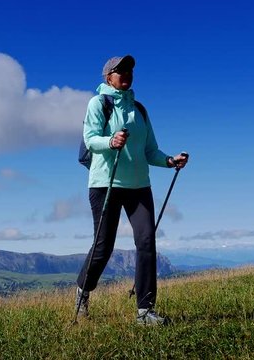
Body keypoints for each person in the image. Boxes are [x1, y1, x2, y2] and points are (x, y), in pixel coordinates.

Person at [75, 55, 188, 325]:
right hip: (106, 184)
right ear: (108, 77)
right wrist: (111, 141)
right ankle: (83, 293)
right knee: (103, 247)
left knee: (147, 242)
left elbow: (149, 150)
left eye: (129, 70)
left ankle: (145, 311)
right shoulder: (98, 104)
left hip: (139, 185)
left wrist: (170, 160)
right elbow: (90, 140)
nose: (126, 73)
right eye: (119, 70)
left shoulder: (140, 110)